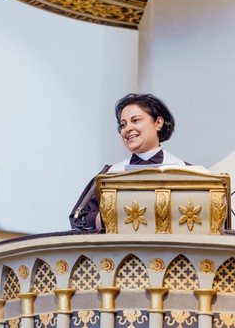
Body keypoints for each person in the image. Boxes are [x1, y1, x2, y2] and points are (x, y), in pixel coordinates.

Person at [69, 93, 193, 233]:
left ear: (158, 122)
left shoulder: (186, 171)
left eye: (135, 120)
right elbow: (78, 218)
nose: (127, 129)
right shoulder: (110, 174)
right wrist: (114, 219)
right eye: (123, 124)